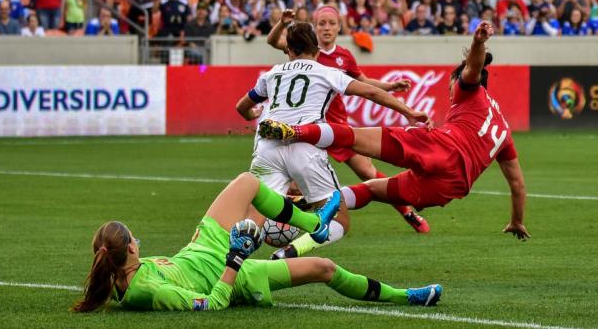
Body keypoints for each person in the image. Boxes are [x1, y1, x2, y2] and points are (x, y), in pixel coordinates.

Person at [259, 21, 531, 242]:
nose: (450, 90)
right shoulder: (504, 131)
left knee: (353, 137)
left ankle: (294, 131)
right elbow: (517, 185)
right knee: (372, 190)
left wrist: (478, 42)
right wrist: (517, 221)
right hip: (453, 185)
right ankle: (312, 204)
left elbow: (473, 67)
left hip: (443, 146)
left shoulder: (468, 89)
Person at [72, 172, 442, 312]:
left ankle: (314, 223)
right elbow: (212, 304)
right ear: (131, 249)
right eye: (135, 237)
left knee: (248, 182)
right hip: (232, 271)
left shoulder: (127, 273)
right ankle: (406, 296)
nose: (139, 239)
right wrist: (236, 258)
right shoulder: (146, 292)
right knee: (324, 268)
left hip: (203, 244)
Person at [238, 22, 431, 260]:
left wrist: (252, 115)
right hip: (306, 146)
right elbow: (370, 92)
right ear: (317, 50)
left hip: (267, 146)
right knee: (339, 218)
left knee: (254, 216)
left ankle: (228, 266)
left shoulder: (272, 73)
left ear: (288, 50)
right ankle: (287, 253)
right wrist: (408, 111)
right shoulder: (326, 72)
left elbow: (242, 106)